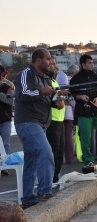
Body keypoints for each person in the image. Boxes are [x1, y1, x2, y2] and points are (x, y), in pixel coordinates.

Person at [14, 48, 64, 208]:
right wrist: (42, 92)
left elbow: (46, 100)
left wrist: (56, 103)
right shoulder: (25, 74)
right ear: (38, 60)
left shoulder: (46, 79)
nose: (50, 62)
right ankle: (45, 190)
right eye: (48, 59)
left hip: (40, 124)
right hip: (28, 122)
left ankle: (28, 198)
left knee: (32, 161)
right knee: (45, 152)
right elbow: (22, 95)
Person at [69, 55, 97, 165]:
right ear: (83, 64)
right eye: (89, 63)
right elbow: (72, 93)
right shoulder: (75, 78)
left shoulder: (95, 76)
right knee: (86, 139)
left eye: (92, 62)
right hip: (83, 113)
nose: (92, 65)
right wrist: (80, 97)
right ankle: (88, 161)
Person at [45, 57, 66, 183]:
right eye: (51, 64)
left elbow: (55, 97)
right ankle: (50, 179)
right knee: (53, 151)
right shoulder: (46, 81)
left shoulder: (53, 80)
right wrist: (60, 94)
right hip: (52, 120)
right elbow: (49, 98)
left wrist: (62, 96)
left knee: (59, 152)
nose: (54, 66)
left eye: (55, 63)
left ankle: (55, 178)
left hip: (60, 120)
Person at [56, 65, 78, 164]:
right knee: (69, 137)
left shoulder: (55, 89)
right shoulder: (69, 88)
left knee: (58, 139)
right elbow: (72, 102)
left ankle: (57, 159)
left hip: (57, 116)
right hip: (68, 115)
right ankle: (70, 159)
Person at [0, 66, 14, 176]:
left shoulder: (7, 86)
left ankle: (6, 165)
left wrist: (0, 95)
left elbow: (11, 100)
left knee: (5, 143)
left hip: (5, 119)